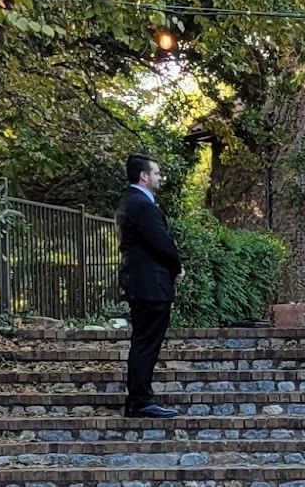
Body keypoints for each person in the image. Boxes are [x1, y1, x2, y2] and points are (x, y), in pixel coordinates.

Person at [116, 154, 184, 418]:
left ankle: (139, 398)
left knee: (143, 342)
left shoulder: (129, 203)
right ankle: (140, 400)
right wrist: (177, 268)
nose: (159, 177)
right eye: (156, 173)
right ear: (144, 176)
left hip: (141, 283)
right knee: (146, 343)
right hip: (150, 285)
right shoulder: (142, 205)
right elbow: (161, 242)